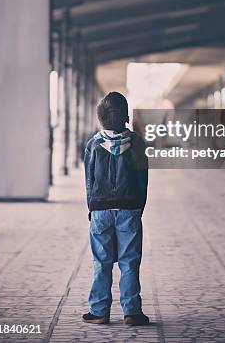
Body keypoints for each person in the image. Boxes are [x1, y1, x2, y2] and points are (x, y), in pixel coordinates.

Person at [82, 91, 149, 326]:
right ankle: (132, 312)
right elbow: (142, 179)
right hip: (129, 209)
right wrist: (138, 208)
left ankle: (99, 311)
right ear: (125, 116)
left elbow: (89, 180)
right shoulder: (137, 143)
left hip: (100, 210)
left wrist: (92, 207)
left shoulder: (94, 144)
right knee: (129, 261)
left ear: (102, 118)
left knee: (101, 261)